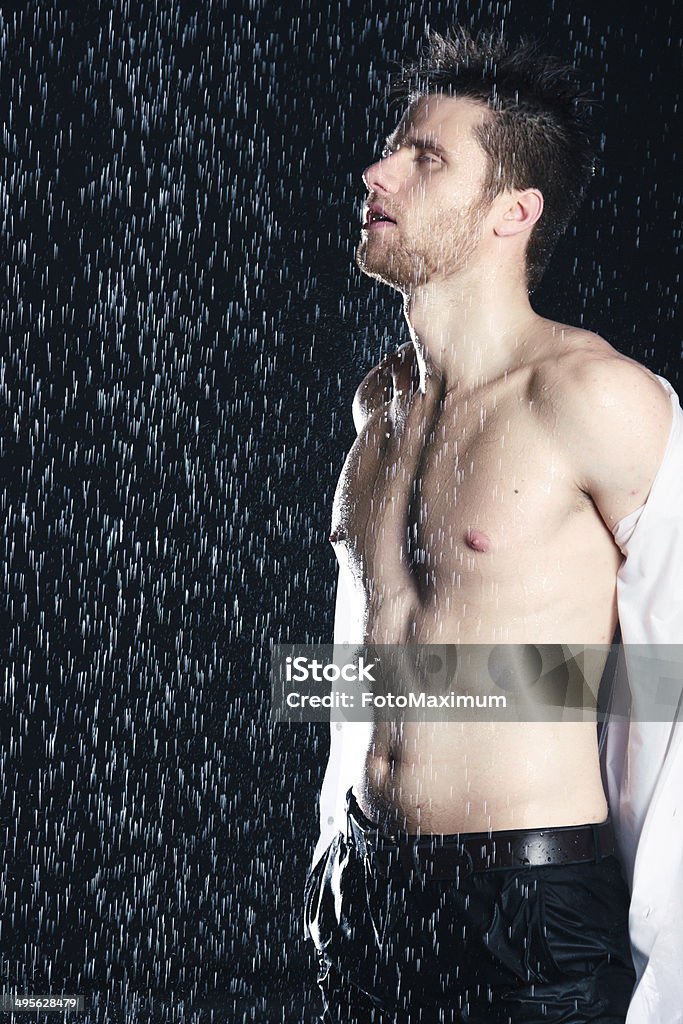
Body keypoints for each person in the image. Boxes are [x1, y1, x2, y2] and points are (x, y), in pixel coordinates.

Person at [303, 27, 682, 1024]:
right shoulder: (377, 402)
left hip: (529, 905)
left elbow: (670, 673)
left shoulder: (595, 398)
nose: (375, 171)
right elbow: (379, 648)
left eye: (424, 157)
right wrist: (330, 850)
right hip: (369, 887)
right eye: (393, 145)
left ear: (510, 212)